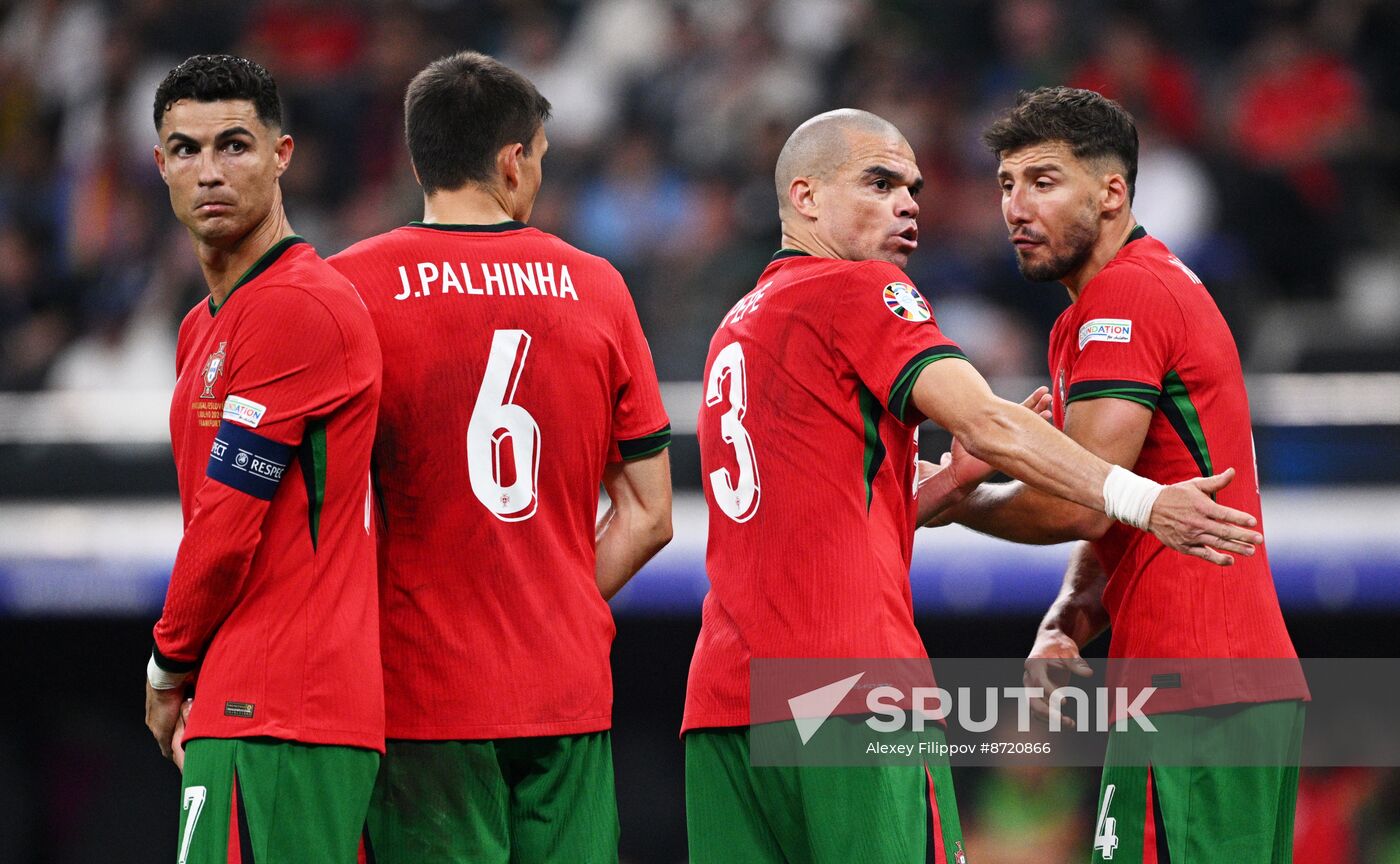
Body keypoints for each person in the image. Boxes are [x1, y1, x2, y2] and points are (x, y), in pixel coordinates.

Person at [682, 107, 1266, 864]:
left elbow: (818, 514)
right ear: (806, 196)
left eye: (913, 188)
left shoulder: (738, 323)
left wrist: (954, 485)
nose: (907, 204)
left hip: (725, 697)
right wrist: (1145, 500)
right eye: (880, 182)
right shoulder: (859, 291)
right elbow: (991, 421)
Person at [932, 86, 1307, 862]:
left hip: (1198, 686)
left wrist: (955, 499)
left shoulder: (1126, 298)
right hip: (1217, 684)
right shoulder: (1112, 302)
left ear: (1111, 192)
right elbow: (1113, 505)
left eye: (1042, 180)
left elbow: (1078, 499)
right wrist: (1068, 614)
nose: (1014, 207)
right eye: (1005, 184)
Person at [328, 51, 673, 863]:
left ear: (420, 157)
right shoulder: (598, 286)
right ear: (513, 160)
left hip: (417, 697)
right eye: (542, 159)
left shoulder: (347, 290)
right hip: (565, 691)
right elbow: (650, 514)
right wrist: (551, 598)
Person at [143, 55, 384, 862]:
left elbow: (226, 528)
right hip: (244, 703)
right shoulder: (200, 327)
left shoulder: (298, 307)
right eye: (186, 149)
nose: (209, 171)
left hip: (285, 708)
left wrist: (166, 667)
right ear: (160, 165)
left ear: (283, 155)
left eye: (235, 145)